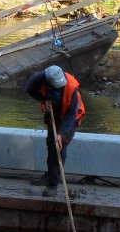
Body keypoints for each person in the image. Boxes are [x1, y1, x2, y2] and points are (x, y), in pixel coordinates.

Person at [26, 64, 85, 196]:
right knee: (51, 144)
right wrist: (44, 99)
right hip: (53, 111)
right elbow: (30, 89)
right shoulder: (39, 78)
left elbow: (71, 115)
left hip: (70, 117)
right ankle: (49, 175)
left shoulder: (72, 89)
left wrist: (62, 134)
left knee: (59, 147)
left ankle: (53, 185)